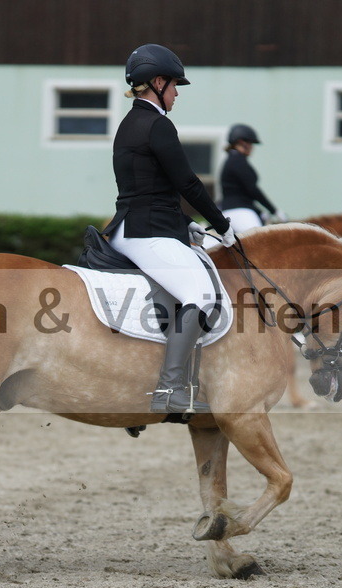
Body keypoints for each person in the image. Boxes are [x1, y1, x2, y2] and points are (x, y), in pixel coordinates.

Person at [103, 43, 235, 416]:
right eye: (175, 85)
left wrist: (187, 224)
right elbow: (188, 184)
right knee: (202, 295)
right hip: (146, 232)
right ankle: (170, 389)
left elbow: (151, 189)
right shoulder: (157, 123)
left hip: (140, 225)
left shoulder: (132, 122)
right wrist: (223, 225)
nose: (177, 93)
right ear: (158, 82)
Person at [219, 124, 286, 234]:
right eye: (250, 143)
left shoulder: (233, 160)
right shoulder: (237, 161)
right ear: (241, 142)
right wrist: (274, 210)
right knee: (260, 240)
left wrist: (259, 211)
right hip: (239, 211)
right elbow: (252, 189)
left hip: (235, 210)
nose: (252, 147)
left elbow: (245, 193)